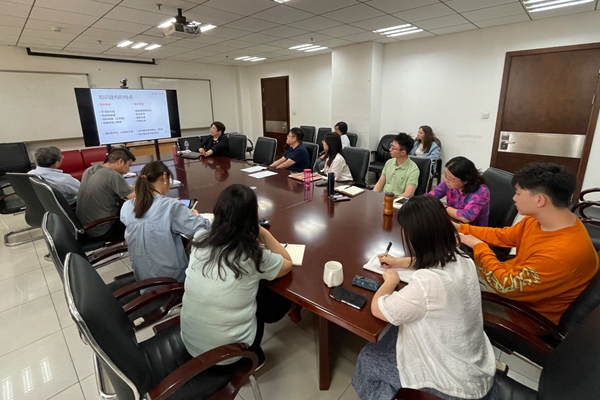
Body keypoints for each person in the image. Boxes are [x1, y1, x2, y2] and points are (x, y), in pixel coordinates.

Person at [353, 196, 496, 400]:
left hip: (453, 383)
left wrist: (390, 282)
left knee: (368, 359)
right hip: (472, 364)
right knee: (397, 333)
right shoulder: (462, 256)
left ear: (418, 239)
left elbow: (379, 309)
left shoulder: (428, 283)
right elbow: (432, 260)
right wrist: (399, 262)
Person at [458, 162, 599, 325]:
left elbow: (505, 286)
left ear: (539, 200)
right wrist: (459, 228)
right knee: (450, 268)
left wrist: (478, 246)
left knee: (448, 290)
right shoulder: (542, 220)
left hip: (522, 314)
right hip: (511, 281)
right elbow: (503, 236)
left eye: (518, 193)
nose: (514, 198)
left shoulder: (561, 253)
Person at [180, 184, 294, 365]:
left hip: (190, 342)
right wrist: (263, 232)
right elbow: (287, 263)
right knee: (268, 297)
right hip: (227, 356)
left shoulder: (200, 237)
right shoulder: (252, 255)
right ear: (252, 217)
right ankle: (254, 357)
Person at [120, 161, 211, 282]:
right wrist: (196, 215)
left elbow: (149, 216)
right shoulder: (171, 207)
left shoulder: (126, 206)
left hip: (143, 279)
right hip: (172, 281)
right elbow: (203, 229)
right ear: (164, 177)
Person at [76, 147, 136, 240]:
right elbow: (132, 196)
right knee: (142, 220)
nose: (128, 169)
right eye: (128, 165)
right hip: (102, 229)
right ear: (120, 161)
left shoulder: (89, 170)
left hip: (85, 227)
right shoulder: (113, 175)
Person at [428, 156, 490, 226]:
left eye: (450, 179)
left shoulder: (481, 191)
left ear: (465, 180)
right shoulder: (448, 183)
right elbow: (430, 196)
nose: (446, 180)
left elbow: (466, 217)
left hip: (472, 229)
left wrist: (444, 207)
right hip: (453, 221)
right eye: (445, 175)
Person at [373, 133, 420, 197]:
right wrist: (373, 196)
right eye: (391, 146)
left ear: (403, 152)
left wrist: (391, 201)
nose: (390, 149)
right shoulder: (389, 162)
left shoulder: (413, 169)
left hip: (397, 200)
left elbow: (408, 194)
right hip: (383, 197)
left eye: (393, 148)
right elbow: (379, 184)